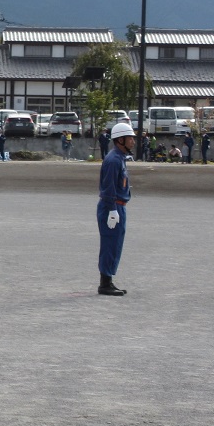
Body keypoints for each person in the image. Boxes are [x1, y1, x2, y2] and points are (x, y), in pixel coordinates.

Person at [97, 121, 135, 297]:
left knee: (115, 244)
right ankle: (105, 283)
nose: (133, 142)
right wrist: (112, 210)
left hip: (119, 207)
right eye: (130, 138)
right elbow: (108, 188)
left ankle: (109, 279)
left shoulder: (119, 158)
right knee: (110, 244)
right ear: (120, 140)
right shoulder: (113, 160)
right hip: (112, 207)